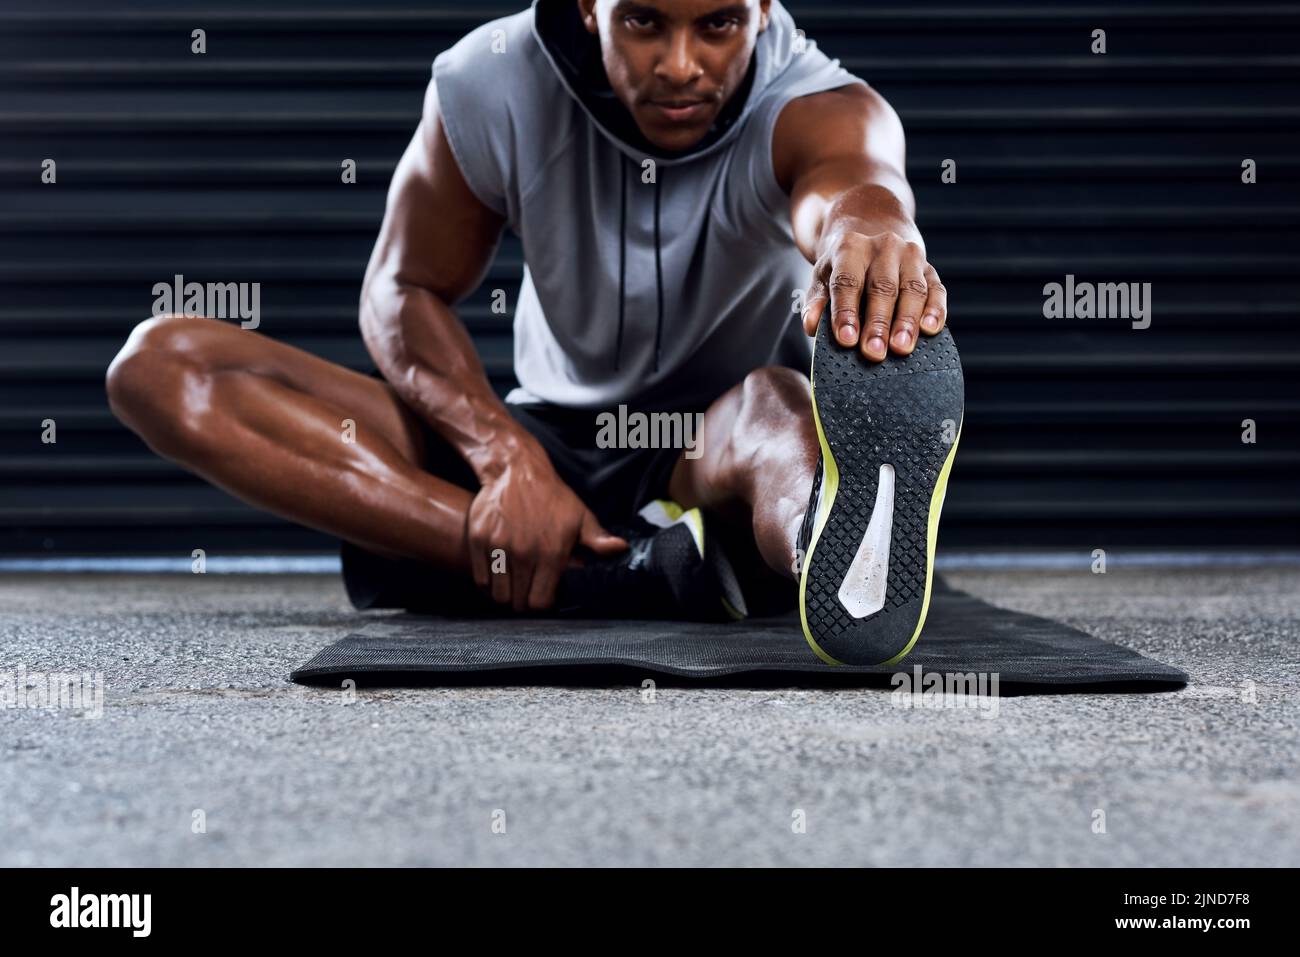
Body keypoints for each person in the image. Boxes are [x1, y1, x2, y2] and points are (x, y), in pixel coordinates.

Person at [105, 0, 962, 666]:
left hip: (706, 454)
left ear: (763, 9)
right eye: (643, 22)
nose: (680, 65)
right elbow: (400, 289)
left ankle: (827, 544)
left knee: (783, 406)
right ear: (589, 5)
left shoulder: (820, 105)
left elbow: (857, 188)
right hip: (533, 433)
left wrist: (869, 233)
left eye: (718, 25)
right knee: (162, 365)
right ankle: (625, 575)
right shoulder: (490, 78)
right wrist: (504, 458)